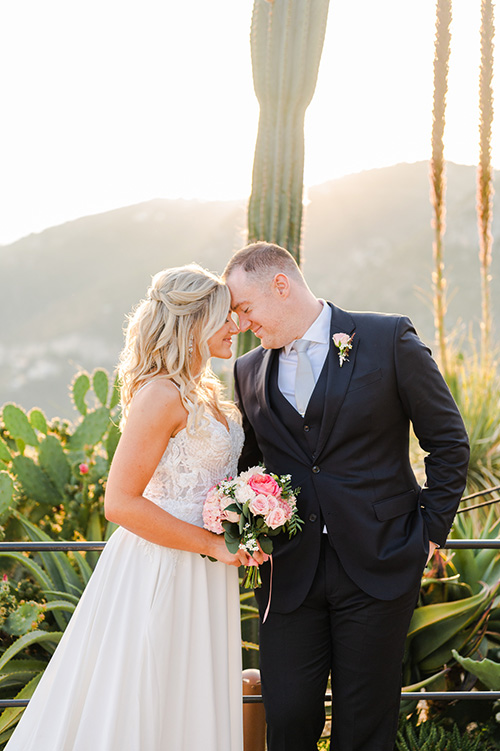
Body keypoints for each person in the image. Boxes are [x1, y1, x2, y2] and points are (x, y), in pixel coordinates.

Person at [224, 242, 470, 751]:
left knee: (364, 723)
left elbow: (447, 441)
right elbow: (250, 465)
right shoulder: (247, 370)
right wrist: (244, 520)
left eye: (245, 308)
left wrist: (428, 534)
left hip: (380, 561)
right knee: (288, 716)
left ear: (281, 284)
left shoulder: (387, 337)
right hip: (289, 573)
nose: (243, 322)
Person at [6, 263, 263, 751]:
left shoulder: (208, 392)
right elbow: (119, 503)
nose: (237, 325)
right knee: (149, 690)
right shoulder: (159, 396)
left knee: (191, 692)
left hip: (207, 567)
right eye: (224, 317)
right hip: (162, 564)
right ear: (193, 324)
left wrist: (248, 514)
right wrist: (213, 543)